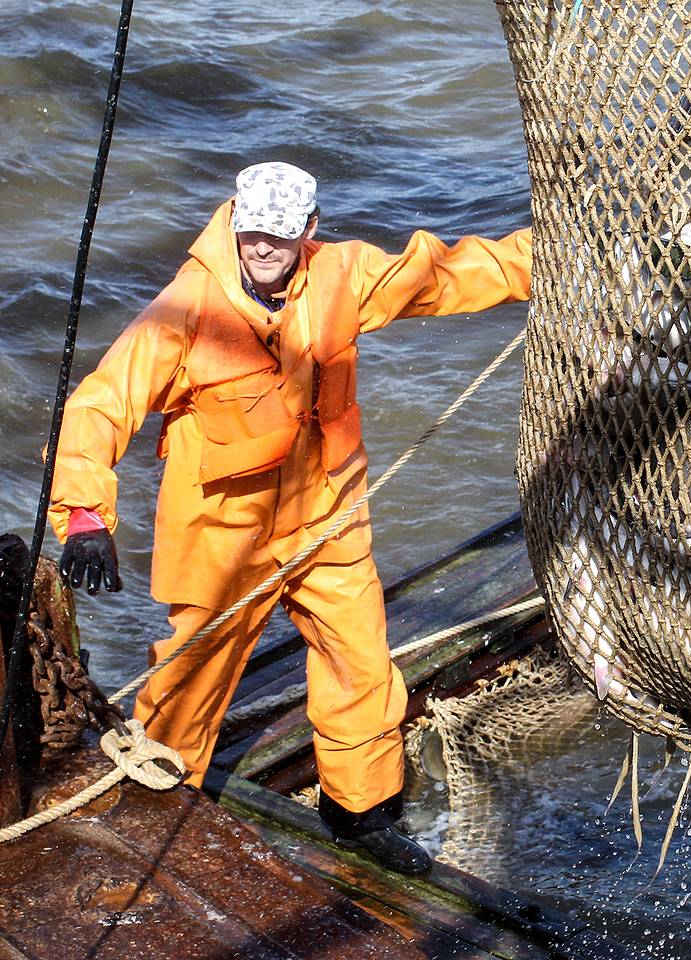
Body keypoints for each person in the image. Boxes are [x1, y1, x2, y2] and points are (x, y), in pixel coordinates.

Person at [48, 161, 533, 874]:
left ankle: (360, 814)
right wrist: (86, 515)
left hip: (329, 517)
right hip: (223, 532)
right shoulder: (185, 309)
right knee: (191, 679)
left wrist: (553, 258)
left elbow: (447, 273)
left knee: (361, 664)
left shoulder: (344, 275)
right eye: (251, 233)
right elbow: (101, 405)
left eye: (278, 235)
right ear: (235, 222)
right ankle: (155, 805)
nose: (262, 248)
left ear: (307, 231)